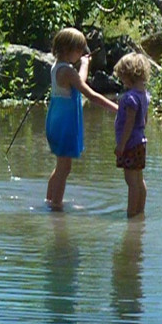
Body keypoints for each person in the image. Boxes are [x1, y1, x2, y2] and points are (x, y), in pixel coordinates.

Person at [45, 27, 118, 211]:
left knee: (60, 165)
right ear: (69, 50)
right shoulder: (68, 71)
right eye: (80, 49)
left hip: (56, 119)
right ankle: (56, 206)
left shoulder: (58, 67)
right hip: (65, 123)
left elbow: (79, 82)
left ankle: (50, 199)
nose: (82, 53)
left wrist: (85, 64)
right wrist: (116, 108)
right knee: (65, 168)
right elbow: (90, 94)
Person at [114, 52, 152, 217]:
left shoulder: (130, 98)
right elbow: (144, 120)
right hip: (140, 142)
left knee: (131, 182)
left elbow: (129, 123)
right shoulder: (144, 95)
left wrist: (121, 145)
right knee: (139, 180)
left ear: (128, 77)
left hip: (130, 144)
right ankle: (140, 211)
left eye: (122, 78)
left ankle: (131, 214)